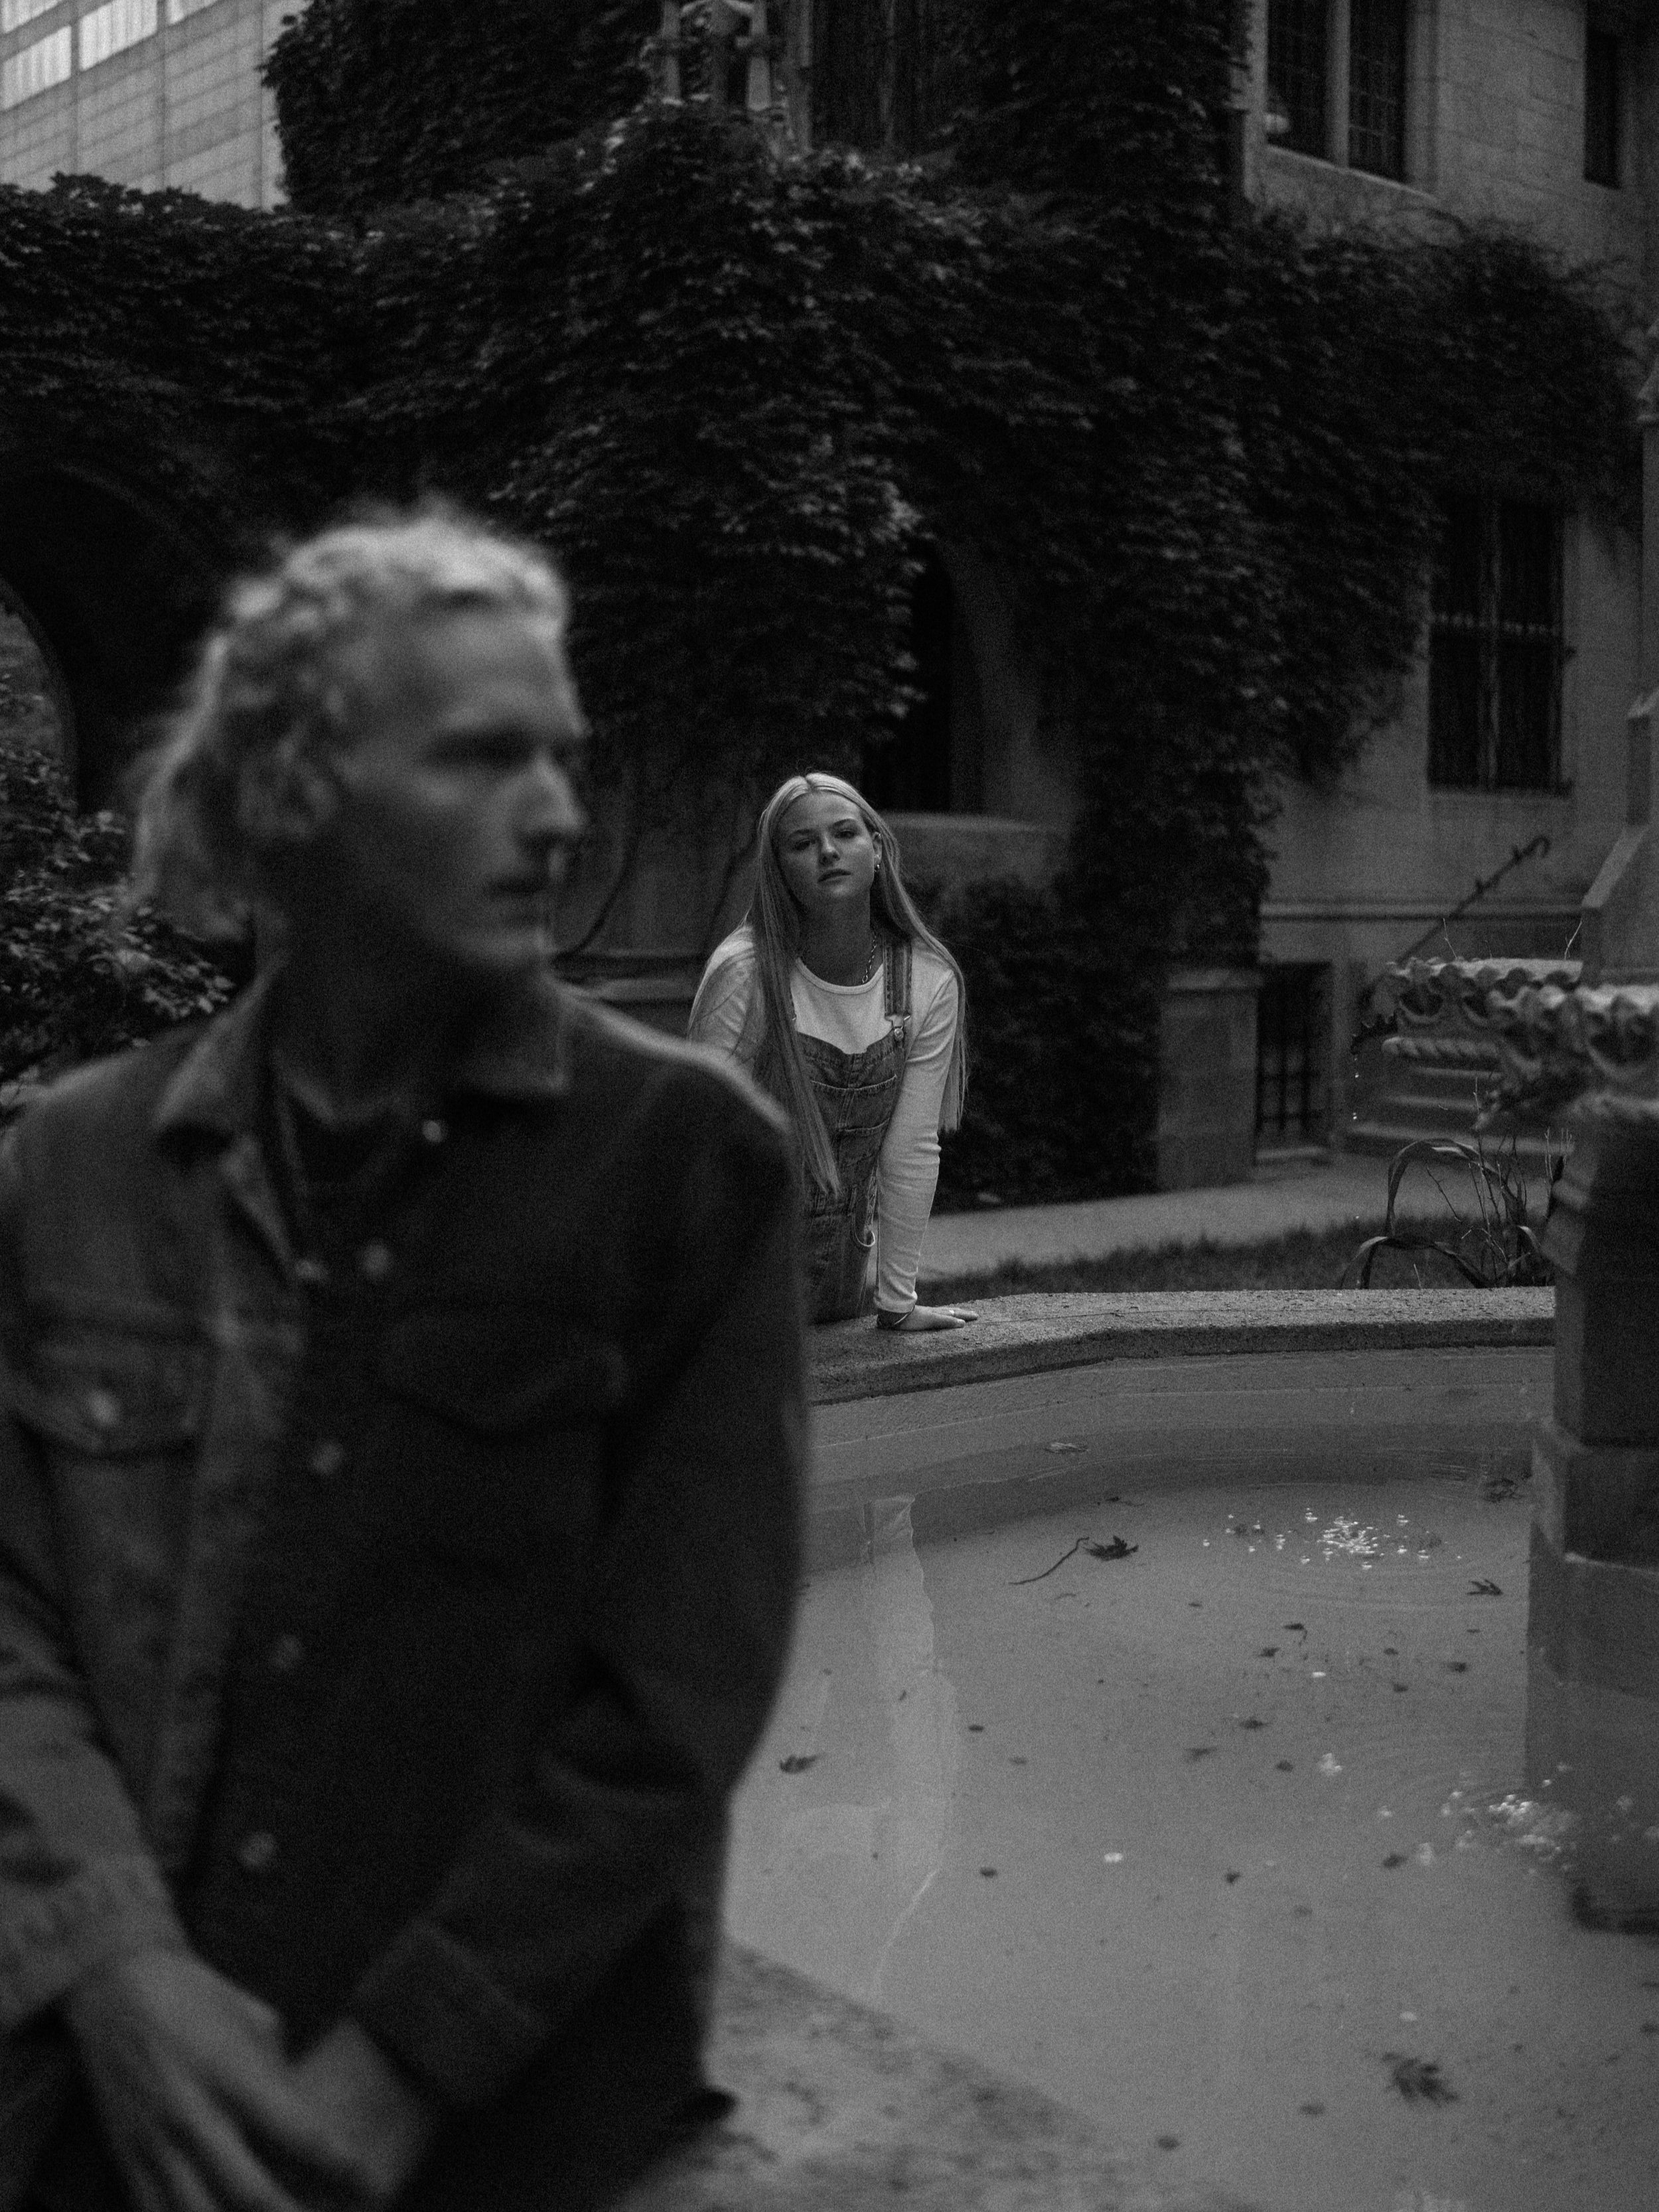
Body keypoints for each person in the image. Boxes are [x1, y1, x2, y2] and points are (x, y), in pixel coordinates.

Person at [0, 508, 806, 2211]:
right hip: (109, 2085)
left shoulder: (684, 1167)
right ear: (297, 790)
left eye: (564, 759)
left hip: (513, 2123)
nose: (559, 813)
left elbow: (676, 1701)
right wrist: (113, 1967)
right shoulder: (66, 1169)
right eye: (482, 758)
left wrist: (398, 2069)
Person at [688, 771, 977, 1331]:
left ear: (877, 849)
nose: (827, 851)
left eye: (845, 833)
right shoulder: (745, 975)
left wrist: (897, 1302)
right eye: (802, 843)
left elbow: (912, 1150)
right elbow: (707, 1144)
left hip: (839, 1278)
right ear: (779, 871)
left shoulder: (927, 979)